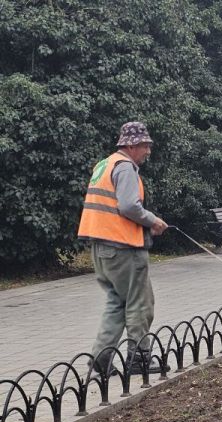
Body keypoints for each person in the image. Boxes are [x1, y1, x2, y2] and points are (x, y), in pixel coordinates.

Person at [77, 122, 168, 376]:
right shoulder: (126, 167)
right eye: (144, 145)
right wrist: (153, 221)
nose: (148, 150)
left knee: (116, 303)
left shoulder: (105, 164)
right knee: (140, 303)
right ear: (130, 145)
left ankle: (100, 361)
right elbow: (128, 206)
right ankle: (139, 359)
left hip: (101, 248)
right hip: (123, 248)